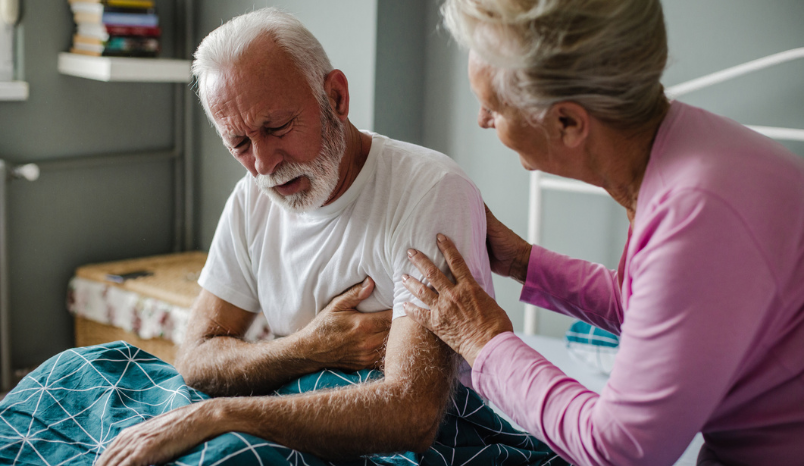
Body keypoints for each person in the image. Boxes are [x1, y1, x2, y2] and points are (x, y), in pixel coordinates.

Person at [399, 0, 804, 465]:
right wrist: (524, 262)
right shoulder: (688, 144)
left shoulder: (698, 213)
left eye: (493, 107)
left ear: (567, 122)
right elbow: (654, 311)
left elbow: (620, 450)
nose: (482, 121)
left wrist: (484, 342)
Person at [96, 8, 493, 465]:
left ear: (337, 97)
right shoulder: (252, 199)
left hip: (403, 441)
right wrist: (311, 347)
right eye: (240, 145)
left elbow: (412, 413)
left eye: (276, 128)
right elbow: (197, 357)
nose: (264, 165)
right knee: (84, 371)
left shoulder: (427, 191)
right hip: (288, 411)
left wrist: (220, 414)